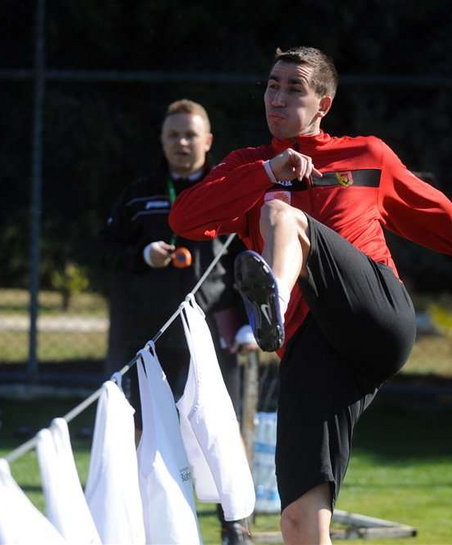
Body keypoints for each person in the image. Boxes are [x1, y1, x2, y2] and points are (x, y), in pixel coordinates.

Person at [169, 47, 452, 545]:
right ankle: (276, 309)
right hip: (313, 349)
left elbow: (425, 205)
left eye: (294, 89)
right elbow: (184, 220)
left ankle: (272, 301)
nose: (277, 98)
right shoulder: (247, 166)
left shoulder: (365, 154)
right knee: (299, 524)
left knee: (283, 217)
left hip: (376, 316)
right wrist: (266, 173)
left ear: (323, 103)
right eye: (272, 85)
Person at [101, 98, 258, 545]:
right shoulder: (137, 194)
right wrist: (141, 254)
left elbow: (251, 260)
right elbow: (105, 252)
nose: (182, 143)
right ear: (162, 141)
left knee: (218, 431)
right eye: (173, 135)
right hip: (144, 335)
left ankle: (234, 526)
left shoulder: (230, 192)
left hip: (210, 334)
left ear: (208, 140)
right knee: (139, 428)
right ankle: (137, 522)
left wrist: (248, 321)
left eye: (191, 135)